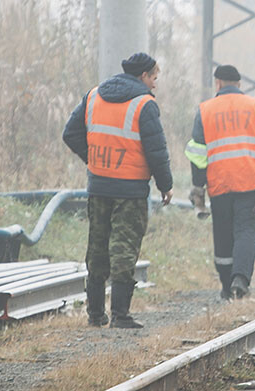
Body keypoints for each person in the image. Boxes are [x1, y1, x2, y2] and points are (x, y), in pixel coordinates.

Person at [62, 52, 173, 329]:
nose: (155, 84)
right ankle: (121, 316)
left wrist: (94, 159)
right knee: (123, 249)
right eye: (154, 78)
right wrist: (165, 186)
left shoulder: (94, 95)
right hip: (131, 189)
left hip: (99, 185)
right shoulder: (144, 104)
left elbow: (70, 133)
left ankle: (95, 314)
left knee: (97, 248)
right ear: (143, 76)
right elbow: (156, 151)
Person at [185, 64, 255, 300]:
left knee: (222, 231)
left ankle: (225, 284)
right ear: (239, 85)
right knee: (245, 229)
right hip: (252, 180)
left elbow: (198, 154)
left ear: (218, 83)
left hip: (219, 182)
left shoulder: (205, 110)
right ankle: (240, 279)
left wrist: (198, 185)